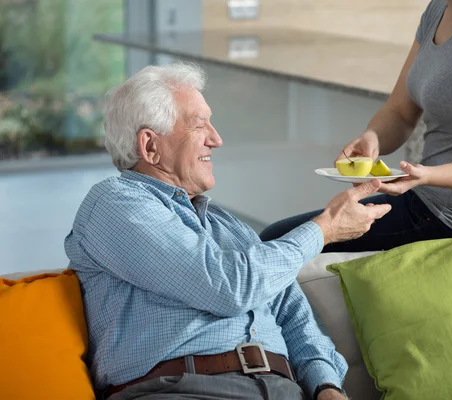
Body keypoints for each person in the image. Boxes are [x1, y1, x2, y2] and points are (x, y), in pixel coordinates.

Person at [64, 63, 391, 400]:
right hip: (182, 390)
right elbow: (228, 287)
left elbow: (293, 314)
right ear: (150, 146)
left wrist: (326, 386)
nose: (216, 139)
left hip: (282, 390)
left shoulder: (228, 225)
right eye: (198, 124)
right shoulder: (116, 204)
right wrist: (325, 228)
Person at [260, 0, 452, 252]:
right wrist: (373, 137)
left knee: (279, 243)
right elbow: (400, 111)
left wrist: (427, 175)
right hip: (425, 200)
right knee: (279, 240)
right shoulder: (440, 9)